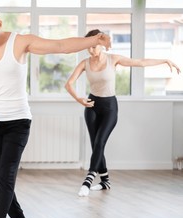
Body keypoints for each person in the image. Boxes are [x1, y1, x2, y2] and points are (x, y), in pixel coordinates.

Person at [0, 7, 111, 218]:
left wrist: (94, 40)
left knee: (6, 175)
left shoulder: (20, 42)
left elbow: (60, 45)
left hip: (18, 122)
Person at [65, 29, 181, 198]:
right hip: (91, 106)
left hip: (109, 107)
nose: (91, 50)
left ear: (102, 45)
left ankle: (88, 181)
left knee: (100, 142)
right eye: (88, 47)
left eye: (94, 46)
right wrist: (79, 99)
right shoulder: (85, 63)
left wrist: (164, 60)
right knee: (96, 144)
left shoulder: (114, 59)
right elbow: (68, 84)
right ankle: (105, 181)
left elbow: (140, 62)